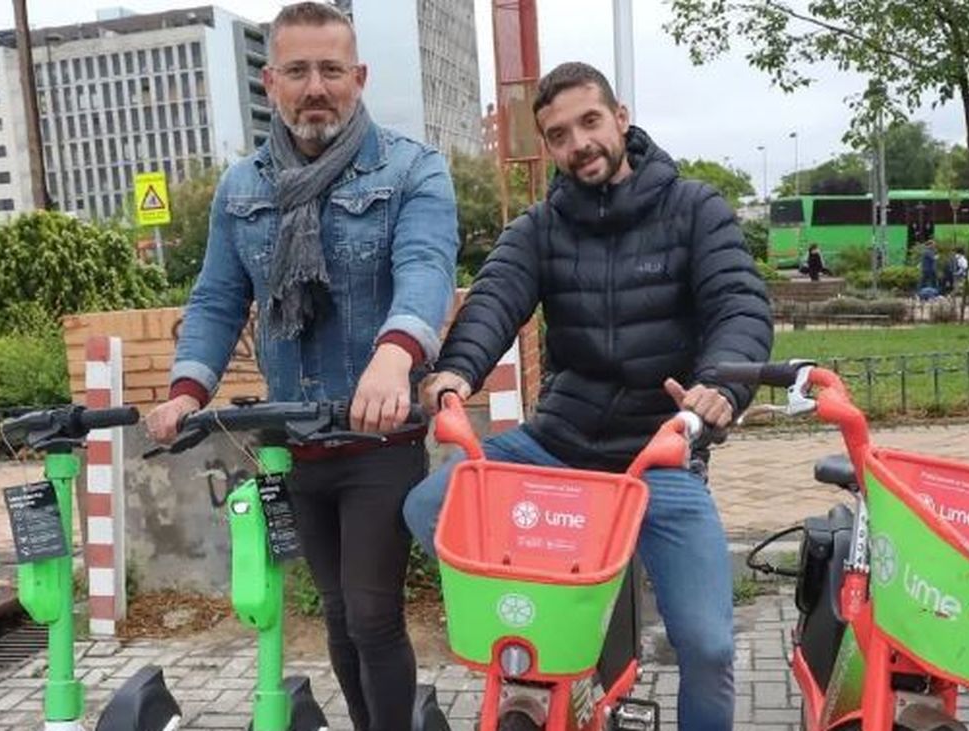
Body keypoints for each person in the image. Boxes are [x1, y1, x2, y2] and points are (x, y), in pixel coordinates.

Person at [403, 62, 773, 730]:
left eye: (590, 122)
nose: (579, 142)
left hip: (660, 458)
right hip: (559, 449)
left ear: (621, 119)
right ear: (549, 148)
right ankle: (551, 653)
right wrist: (457, 371)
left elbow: (738, 304)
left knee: (711, 646)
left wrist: (723, 383)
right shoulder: (540, 229)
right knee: (430, 504)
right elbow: (493, 301)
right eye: (559, 133)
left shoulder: (695, 209)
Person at [143, 4, 459, 729]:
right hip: (292, 440)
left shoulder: (414, 169)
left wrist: (393, 357)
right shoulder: (241, 188)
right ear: (271, 81)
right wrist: (188, 390)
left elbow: (425, 269)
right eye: (299, 70)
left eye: (331, 70)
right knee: (341, 614)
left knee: (376, 613)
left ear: (359, 77)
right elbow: (218, 298)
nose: (316, 87)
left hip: (379, 436)